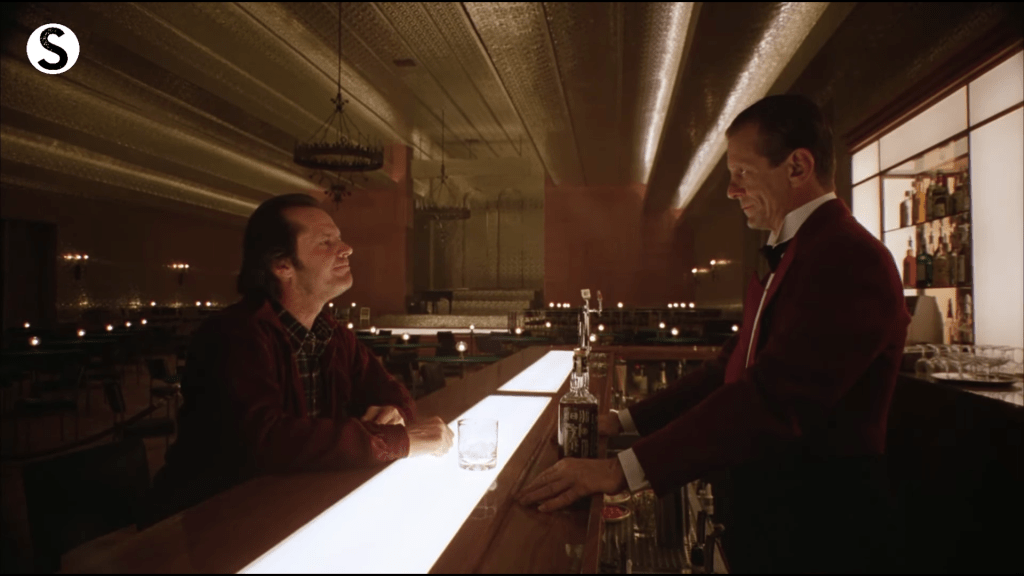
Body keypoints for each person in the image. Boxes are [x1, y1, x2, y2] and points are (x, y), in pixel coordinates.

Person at [517, 95, 909, 573]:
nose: (730, 190)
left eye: (742, 172)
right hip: (774, 522)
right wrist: (622, 421)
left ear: (797, 167)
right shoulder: (801, 250)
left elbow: (773, 401)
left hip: (820, 532)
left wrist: (621, 470)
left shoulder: (850, 258)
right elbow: (728, 367)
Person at [142, 194, 453, 527]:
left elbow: (393, 393)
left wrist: (395, 413)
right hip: (210, 520)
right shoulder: (234, 335)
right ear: (282, 266)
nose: (346, 248)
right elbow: (266, 441)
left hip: (291, 509)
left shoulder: (333, 334)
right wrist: (393, 441)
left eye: (339, 238)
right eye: (326, 242)